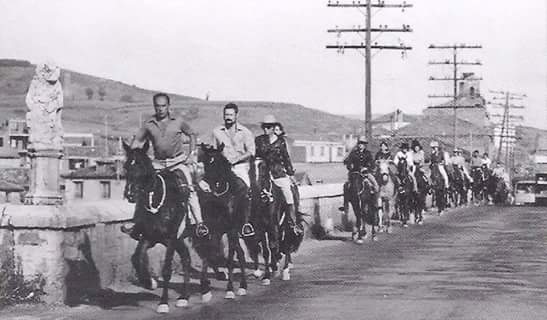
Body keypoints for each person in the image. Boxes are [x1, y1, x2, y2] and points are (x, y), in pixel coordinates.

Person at [121, 93, 208, 239]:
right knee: (144, 187)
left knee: (189, 189)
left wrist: (192, 154)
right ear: (154, 106)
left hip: (178, 162)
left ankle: (199, 223)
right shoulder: (149, 124)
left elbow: (192, 134)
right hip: (158, 164)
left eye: (163, 106)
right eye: (157, 106)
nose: (160, 109)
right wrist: (132, 155)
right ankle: (137, 222)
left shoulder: (178, 121)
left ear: (168, 106)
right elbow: (137, 141)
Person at [211, 103, 256, 237]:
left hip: (240, 167)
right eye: (226, 115)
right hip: (223, 168)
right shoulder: (216, 132)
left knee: (246, 189)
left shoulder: (245, 132)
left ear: (236, 115)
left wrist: (236, 159)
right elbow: (213, 151)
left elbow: (251, 152)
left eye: (231, 115)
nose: (228, 117)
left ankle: (246, 224)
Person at [255, 115, 303, 235]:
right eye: (264, 127)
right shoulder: (259, 140)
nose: (266, 129)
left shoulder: (280, 142)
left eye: (269, 127)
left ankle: (293, 223)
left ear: (273, 127)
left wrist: (290, 173)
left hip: (278, 173)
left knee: (288, 195)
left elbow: (286, 158)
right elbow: (255, 154)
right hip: (263, 172)